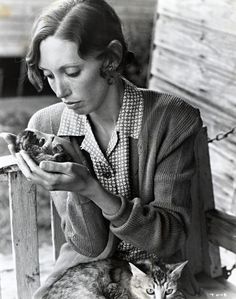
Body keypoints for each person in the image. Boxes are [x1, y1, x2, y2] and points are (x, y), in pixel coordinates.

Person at [1, 0, 203, 297]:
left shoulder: (171, 119)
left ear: (111, 58)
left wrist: (93, 189)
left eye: (71, 72)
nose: (60, 90)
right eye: (49, 75)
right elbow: (90, 247)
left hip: (158, 284)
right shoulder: (48, 125)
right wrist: (78, 192)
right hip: (85, 279)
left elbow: (167, 240)